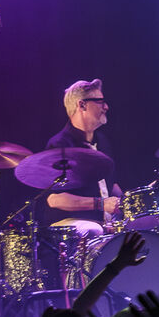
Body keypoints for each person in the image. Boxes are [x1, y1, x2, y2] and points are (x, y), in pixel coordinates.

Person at [42, 79, 122, 238]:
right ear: (82, 105)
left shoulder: (103, 141)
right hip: (68, 224)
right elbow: (55, 199)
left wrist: (130, 201)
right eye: (100, 102)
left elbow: (110, 186)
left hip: (101, 221)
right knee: (93, 230)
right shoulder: (60, 145)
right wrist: (101, 204)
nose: (106, 107)